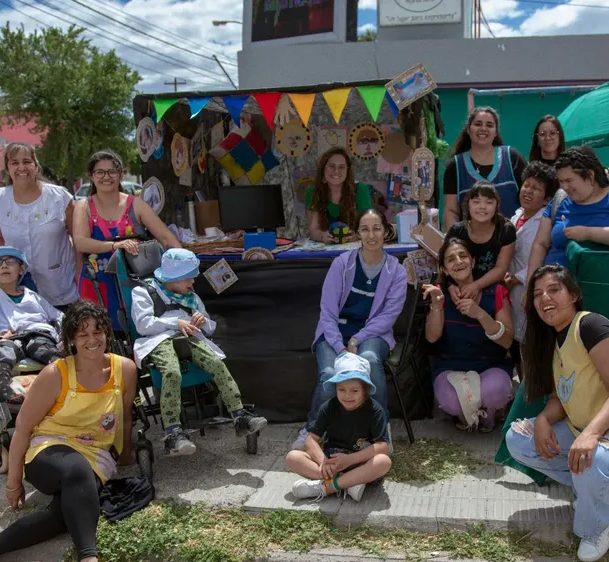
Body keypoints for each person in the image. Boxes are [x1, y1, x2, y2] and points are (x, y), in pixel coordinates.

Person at [0, 300, 137, 562]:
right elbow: (24, 427)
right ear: (70, 340)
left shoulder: (125, 369)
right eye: (82, 335)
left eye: (98, 331)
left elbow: (125, 414)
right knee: (75, 471)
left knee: (63, 515)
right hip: (48, 450)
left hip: (95, 453)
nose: (92, 339)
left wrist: (126, 453)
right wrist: (14, 482)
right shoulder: (56, 373)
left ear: (107, 333)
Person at [506, 265, 609, 562]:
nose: (545, 298)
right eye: (537, 294)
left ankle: (597, 525)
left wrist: (591, 435)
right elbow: (563, 394)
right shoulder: (554, 341)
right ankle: (594, 492)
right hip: (591, 433)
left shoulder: (590, 326)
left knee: (593, 457)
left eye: (554, 289)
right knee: (519, 438)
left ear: (573, 294)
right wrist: (544, 419)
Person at [130, 248, 267, 455]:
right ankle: (173, 432)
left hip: (190, 337)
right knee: (172, 372)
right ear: (174, 277)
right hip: (159, 340)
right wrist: (176, 323)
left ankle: (240, 416)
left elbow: (209, 325)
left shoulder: (191, 297)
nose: (192, 284)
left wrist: (202, 321)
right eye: (188, 279)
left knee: (216, 364)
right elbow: (143, 324)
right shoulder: (144, 292)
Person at [296, 209, 407, 447]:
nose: (371, 235)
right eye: (365, 229)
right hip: (334, 332)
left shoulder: (396, 271)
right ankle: (311, 431)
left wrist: (356, 339)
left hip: (372, 333)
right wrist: (339, 346)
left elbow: (387, 317)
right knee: (329, 374)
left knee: (369, 360)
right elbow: (327, 311)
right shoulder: (342, 264)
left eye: (377, 228)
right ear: (357, 233)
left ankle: (380, 431)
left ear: (386, 232)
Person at [73, 149, 181, 325]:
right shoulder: (83, 206)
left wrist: (181, 268)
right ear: (91, 176)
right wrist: (115, 246)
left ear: (120, 175)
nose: (106, 177)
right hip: (96, 286)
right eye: (100, 172)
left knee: (137, 336)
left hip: (134, 286)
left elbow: (167, 238)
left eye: (112, 171)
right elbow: (81, 242)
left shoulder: (135, 204)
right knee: (100, 337)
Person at [424, 237, 514, 433]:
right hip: (451, 366)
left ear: (473, 261)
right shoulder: (440, 294)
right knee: (451, 402)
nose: (458, 261)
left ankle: (486, 416)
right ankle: (466, 413)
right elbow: (431, 337)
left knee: (495, 392)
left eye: (463, 256)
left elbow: (507, 340)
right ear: (445, 270)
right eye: (450, 259)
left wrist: (480, 314)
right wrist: (437, 307)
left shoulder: (496, 291)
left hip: (490, 365)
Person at [287, 352, 392, 502]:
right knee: (293, 457)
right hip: (332, 463)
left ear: (365, 390)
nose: (347, 395)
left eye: (354, 391)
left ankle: (326, 487)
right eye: (341, 390)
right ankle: (348, 484)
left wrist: (349, 460)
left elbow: (382, 447)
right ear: (335, 387)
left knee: (383, 461)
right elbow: (311, 440)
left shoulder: (375, 411)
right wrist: (323, 461)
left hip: (359, 462)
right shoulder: (328, 407)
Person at [0, 143, 79, 309]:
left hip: (62, 288)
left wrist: (80, 271)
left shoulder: (59, 197)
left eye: (27, 161)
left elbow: (77, 238)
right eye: (15, 163)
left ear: (36, 165)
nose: (22, 167)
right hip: (19, 294)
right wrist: (1, 269)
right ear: (7, 168)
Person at [0, 246, 63, 403]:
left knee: (46, 350)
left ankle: (64, 382)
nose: (4, 265)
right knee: (7, 350)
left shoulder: (32, 295)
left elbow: (59, 317)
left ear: (21, 269)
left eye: (10, 262)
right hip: (6, 338)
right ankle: (3, 386)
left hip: (37, 334)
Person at [530, 147, 609, 270]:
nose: (564, 187)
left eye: (569, 180)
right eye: (561, 181)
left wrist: (587, 233)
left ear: (590, 175)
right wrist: (531, 284)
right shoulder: (559, 200)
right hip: (555, 283)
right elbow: (540, 245)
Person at [442, 106, 526, 226]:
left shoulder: (512, 158)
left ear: (496, 132)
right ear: (468, 129)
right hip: (470, 242)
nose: (483, 129)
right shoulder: (455, 166)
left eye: (489, 125)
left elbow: (530, 200)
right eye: (478, 124)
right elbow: (451, 211)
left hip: (513, 240)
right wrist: (456, 241)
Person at [509, 162, 559, 342]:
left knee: (529, 338)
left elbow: (543, 258)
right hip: (510, 289)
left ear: (546, 199)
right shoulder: (516, 216)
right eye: (526, 185)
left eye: (536, 188)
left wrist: (517, 277)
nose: (528, 191)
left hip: (527, 286)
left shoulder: (544, 223)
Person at [444, 181, 516, 300]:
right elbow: (444, 262)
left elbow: (501, 268)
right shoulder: (456, 231)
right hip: (459, 289)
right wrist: (450, 286)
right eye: (476, 202)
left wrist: (476, 286)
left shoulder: (506, 230)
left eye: (489, 202)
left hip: (492, 288)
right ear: (468, 205)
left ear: (496, 206)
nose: (482, 207)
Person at [305, 147, 374, 243]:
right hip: (325, 250)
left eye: (341, 167)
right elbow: (313, 230)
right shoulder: (313, 192)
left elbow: (368, 227)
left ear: (347, 171)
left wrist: (356, 236)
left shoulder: (360, 190)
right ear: (323, 169)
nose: (336, 171)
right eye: (331, 166)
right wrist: (322, 236)